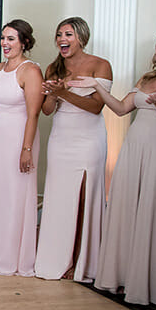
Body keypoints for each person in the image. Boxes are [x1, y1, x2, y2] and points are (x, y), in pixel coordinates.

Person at [70, 23, 156, 307]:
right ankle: (126, 276)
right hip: (135, 151)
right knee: (129, 208)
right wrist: (96, 86)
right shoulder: (146, 78)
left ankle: (155, 285)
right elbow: (120, 109)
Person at [34, 17, 112, 282]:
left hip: (88, 137)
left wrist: (64, 92)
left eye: (67, 34)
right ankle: (58, 257)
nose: (61, 39)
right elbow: (45, 111)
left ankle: (82, 260)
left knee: (83, 196)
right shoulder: (52, 68)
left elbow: (96, 107)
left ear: (81, 37)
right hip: (61, 137)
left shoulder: (100, 65)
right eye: (58, 35)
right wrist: (54, 93)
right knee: (59, 197)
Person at [0, 19, 44, 277]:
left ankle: (13, 256)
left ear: (24, 42)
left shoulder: (31, 71)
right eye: (3, 38)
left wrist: (26, 148)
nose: (5, 43)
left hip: (20, 137)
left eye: (11, 39)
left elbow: (34, 113)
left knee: (16, 194)